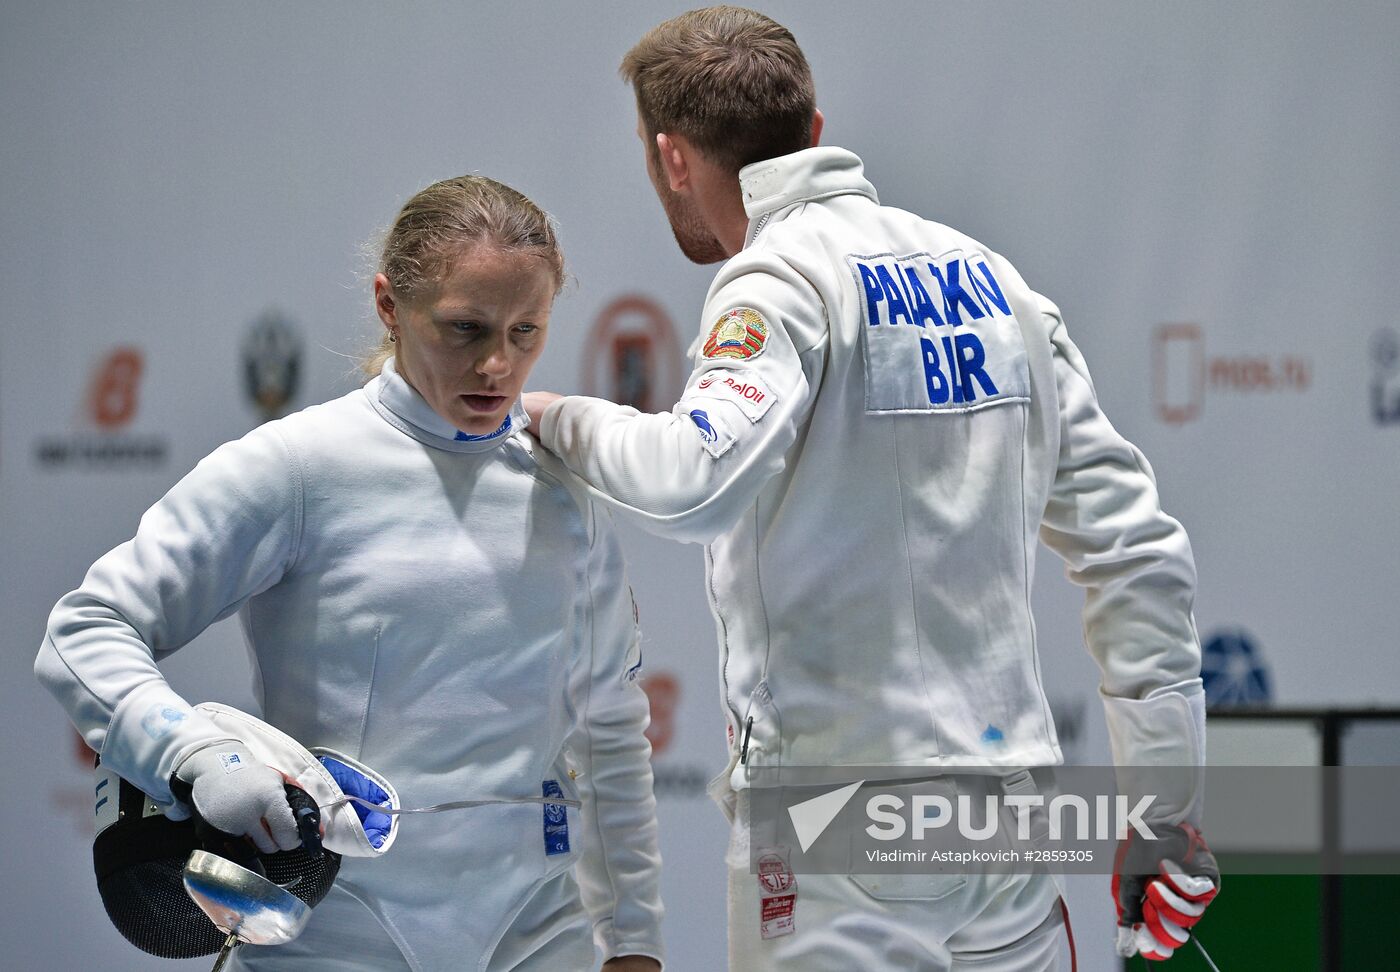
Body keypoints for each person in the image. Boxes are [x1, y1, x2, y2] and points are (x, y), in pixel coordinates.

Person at [523, 6, 1218, 970]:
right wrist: (1164, 815)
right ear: (814, 131)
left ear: (672, 159)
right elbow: (1135, 548)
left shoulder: (778, 281)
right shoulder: (995, 284)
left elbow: (692, 480)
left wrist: (556, 419)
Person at [37, 175, 664, 972]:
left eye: (526, 329)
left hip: (537, 926)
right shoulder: (299, 467)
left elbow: (609, 723)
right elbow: (84, 629)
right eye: (465, 328)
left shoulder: (565, 491)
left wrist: (635, 938)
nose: (498, 363)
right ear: (389, 306)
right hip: (334, 930)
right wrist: (193, 753)